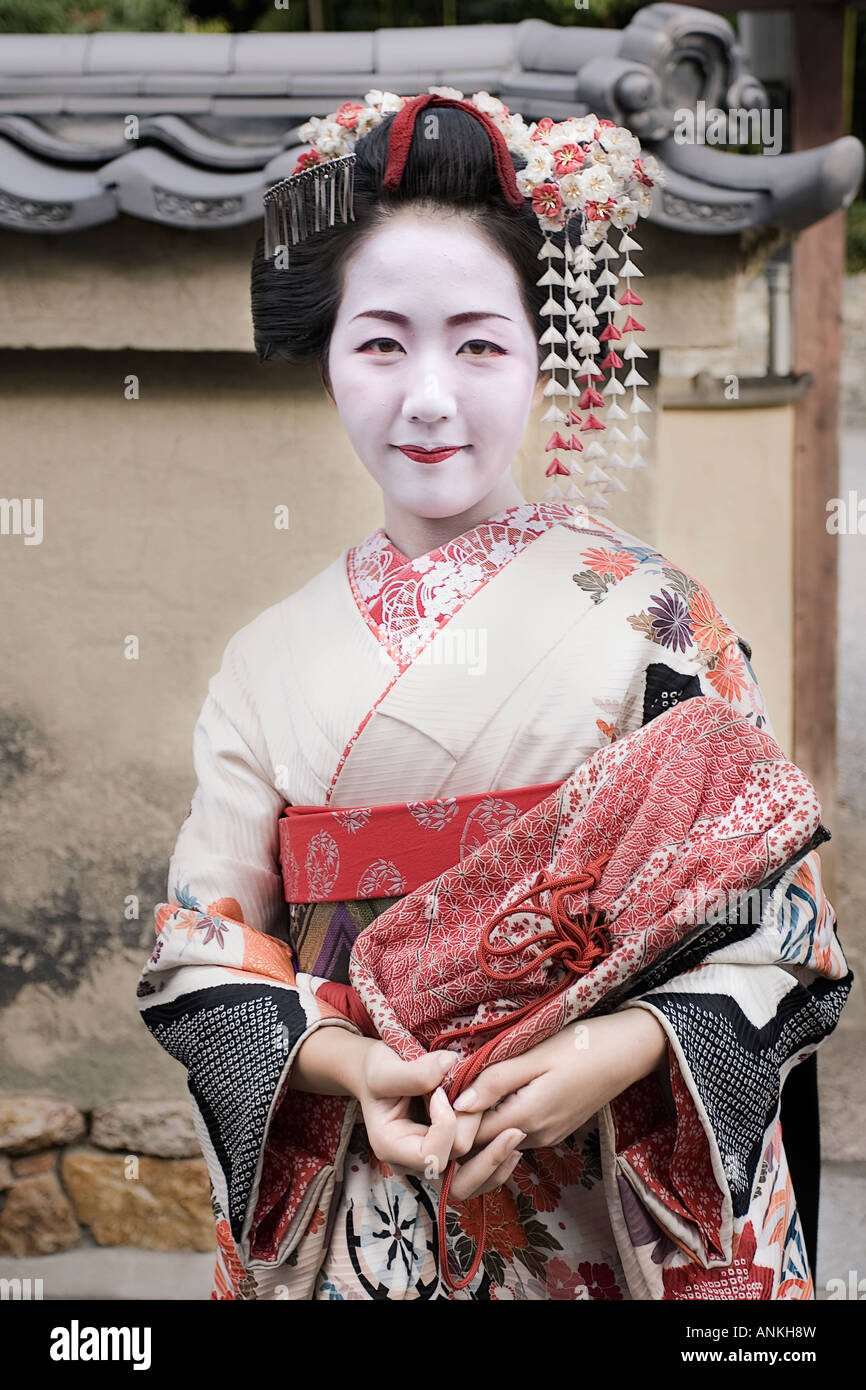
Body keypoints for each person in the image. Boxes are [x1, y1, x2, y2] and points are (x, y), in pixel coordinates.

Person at [136, 91, 851, 1301]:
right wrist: (342, 1067)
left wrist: (616, 1045)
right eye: (380, 343)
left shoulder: (652, 615)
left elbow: (782, 924)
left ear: (540, 355)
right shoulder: (267, 658)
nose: (428, 397)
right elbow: (202, 949)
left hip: (599, 1187)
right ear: (326, 353)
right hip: (373, 1194)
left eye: (477, 343)